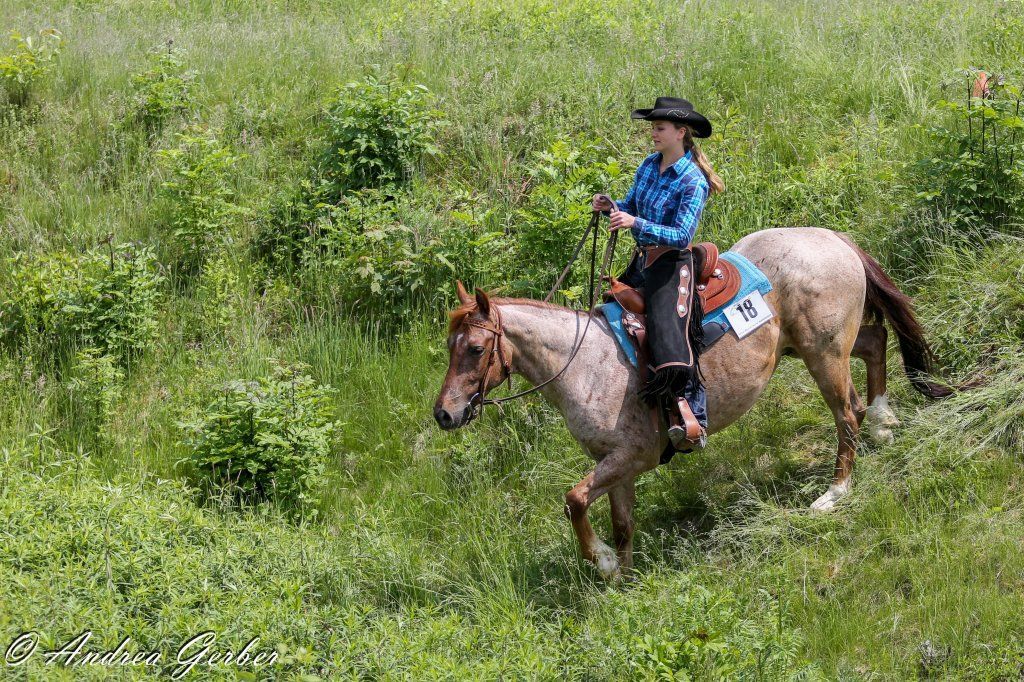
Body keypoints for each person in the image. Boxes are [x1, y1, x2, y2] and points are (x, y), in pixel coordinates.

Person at [592, 96, 724, 451]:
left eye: (659, 128)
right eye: (653, 127)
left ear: (680, 133)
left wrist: (635, 222)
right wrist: (613, 208)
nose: (653, 133)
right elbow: (632, 205)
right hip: (643, 261)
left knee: (669, 337)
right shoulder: (649, 165)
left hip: (671, 266)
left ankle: (693, 418)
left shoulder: (692, 181)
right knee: (605, 313)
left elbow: (682, 235)